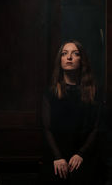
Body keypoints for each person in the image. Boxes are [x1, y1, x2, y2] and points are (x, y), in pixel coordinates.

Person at [41, 40, 101, 184]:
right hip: (57, 153)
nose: (69, 58)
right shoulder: (51, 93)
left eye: (75, 54)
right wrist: (57, 157)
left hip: (83, 153)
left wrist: (81, 154)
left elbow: (97, 128)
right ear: (60, 60)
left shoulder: (93, 92)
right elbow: (46, 128)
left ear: (82, 60)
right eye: (64, 53)